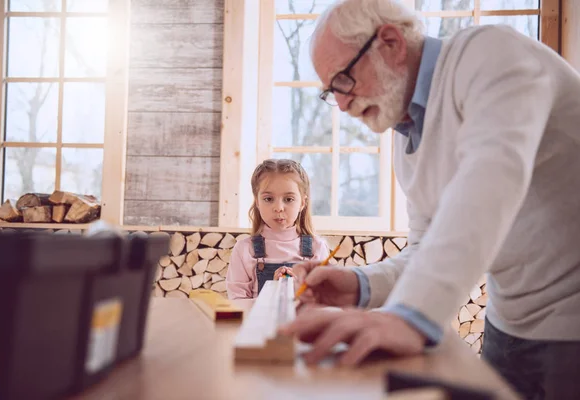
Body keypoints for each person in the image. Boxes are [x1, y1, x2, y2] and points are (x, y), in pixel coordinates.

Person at [280, 0, 580, 399]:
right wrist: (359, 285)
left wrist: (410, 317)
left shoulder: (491, 55)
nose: (342, 104)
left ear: (390, 42)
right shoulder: (407, 135)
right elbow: (425, 249)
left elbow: (490, 179)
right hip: (507, 327)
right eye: (330, 92)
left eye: (343, 81)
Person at [226, 159, 330, 299]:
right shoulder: (244, 249)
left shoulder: (317, 248)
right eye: (268, 199)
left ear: (302, 203)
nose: (278, 208)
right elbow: (238, 303)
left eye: (288, 199)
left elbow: (323, 301)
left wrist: (298, 290)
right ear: (257, 202)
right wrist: (272, 292)